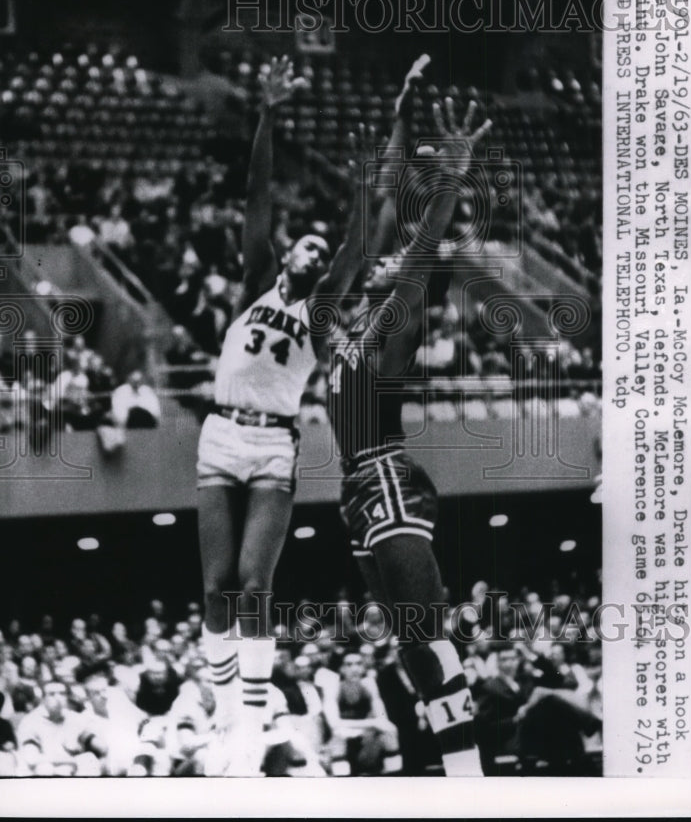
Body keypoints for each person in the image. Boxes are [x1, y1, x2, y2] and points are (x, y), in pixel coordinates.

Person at [196, 56, 366, 776]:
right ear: (286, 253)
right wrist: (266, 112)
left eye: (320, 251)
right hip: (218, 433)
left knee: (252, 582)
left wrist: (361, 190)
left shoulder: (320, 309)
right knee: (214, 587)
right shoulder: (249, 286)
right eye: (307, 243)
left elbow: (356, 250)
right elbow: (258, 195)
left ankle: (255, 705)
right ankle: (225, 702)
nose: (313, 251)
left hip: (271, 446)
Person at [325, 79, 492, 776]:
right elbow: (357, 241)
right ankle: (462, 765)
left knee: (423, 628)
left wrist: (448, 182)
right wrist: (382, 152)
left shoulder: (384, 332)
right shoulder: (334, 333)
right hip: (356, 493)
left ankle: (470, 775)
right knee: (409, 642)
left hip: (386, 475)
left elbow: (417, 252)